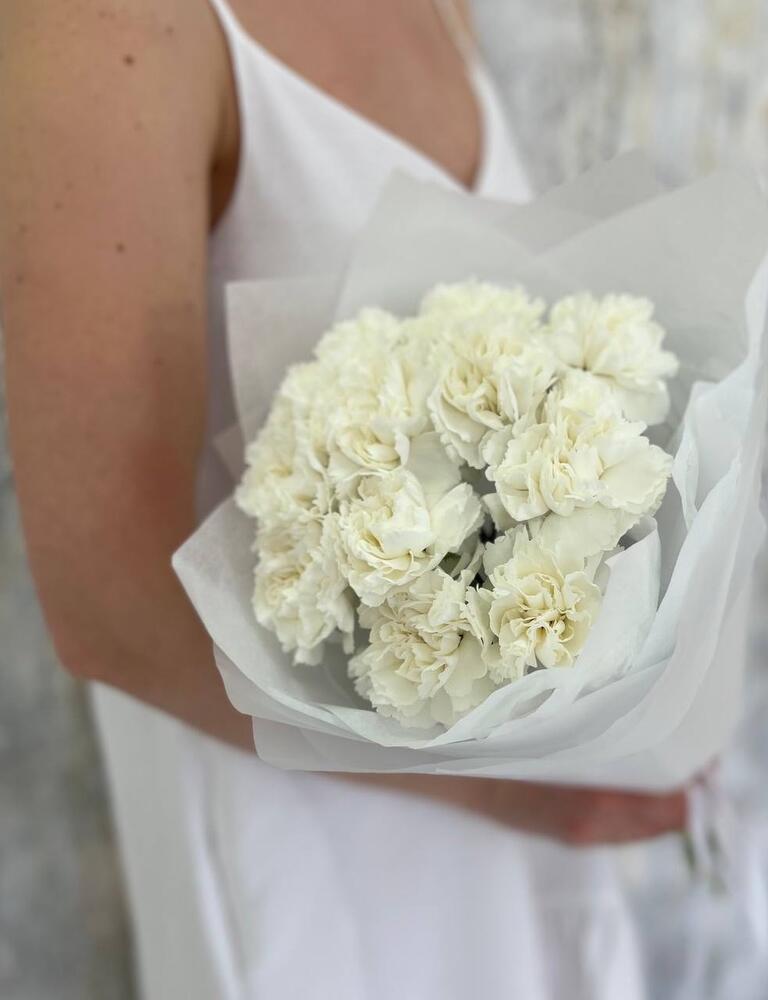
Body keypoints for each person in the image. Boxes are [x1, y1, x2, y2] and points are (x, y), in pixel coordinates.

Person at [0, 1, 688, 996]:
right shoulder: (104, 31)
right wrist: (517, 793)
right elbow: (108, 611)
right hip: (314, 835)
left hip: (518, 781)